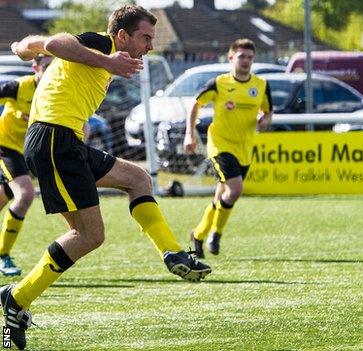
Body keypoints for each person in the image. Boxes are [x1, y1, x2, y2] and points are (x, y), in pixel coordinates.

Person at [2, 5, 211, 349]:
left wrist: (27, 46)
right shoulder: (101, 44)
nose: (150, 47)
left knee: (138, 179)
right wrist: (108, 60)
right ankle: (17, 298)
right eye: (145, 37)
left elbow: (41, 45)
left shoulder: (97, 57)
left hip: (67, 142)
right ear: (122, 35)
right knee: (89, 235)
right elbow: (57, 42)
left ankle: (173, 253)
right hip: (54, 140)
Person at [184, 38, 273, 257]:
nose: (246, 61)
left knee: (222, 195)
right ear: (231, 58)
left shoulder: (261, 85)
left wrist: (265, 121)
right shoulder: (219, 83)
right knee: (235, 189)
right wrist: (190, 134)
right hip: (220, 145)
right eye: (241, 56)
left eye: (250, 57)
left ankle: (199, 235)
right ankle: (216, 233)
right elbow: (195, 104)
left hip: (245, 148)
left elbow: (268, 111)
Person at [0, 55, 53, 277]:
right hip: (5, 147)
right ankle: (3, 255)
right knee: (26, 194)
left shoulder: (57, 92)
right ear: (35, 68)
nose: (51, 71)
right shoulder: (18, 87)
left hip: (27, 153)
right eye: (47, 66)